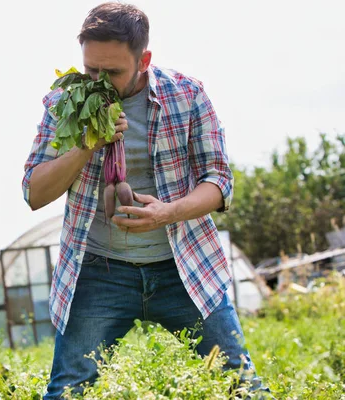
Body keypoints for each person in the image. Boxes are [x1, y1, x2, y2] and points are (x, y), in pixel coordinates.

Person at [22, 2, 271, 399]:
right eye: (91, 70)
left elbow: (219, 181)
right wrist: (87, 145)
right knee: (68, 392)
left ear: (144, 60)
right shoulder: (62, 104)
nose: (99, 81)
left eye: (112, 72)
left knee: (242, 387)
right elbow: (34, 192)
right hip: (99, 271)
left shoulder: (187, 95)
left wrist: (168, 213)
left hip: (183, 267)